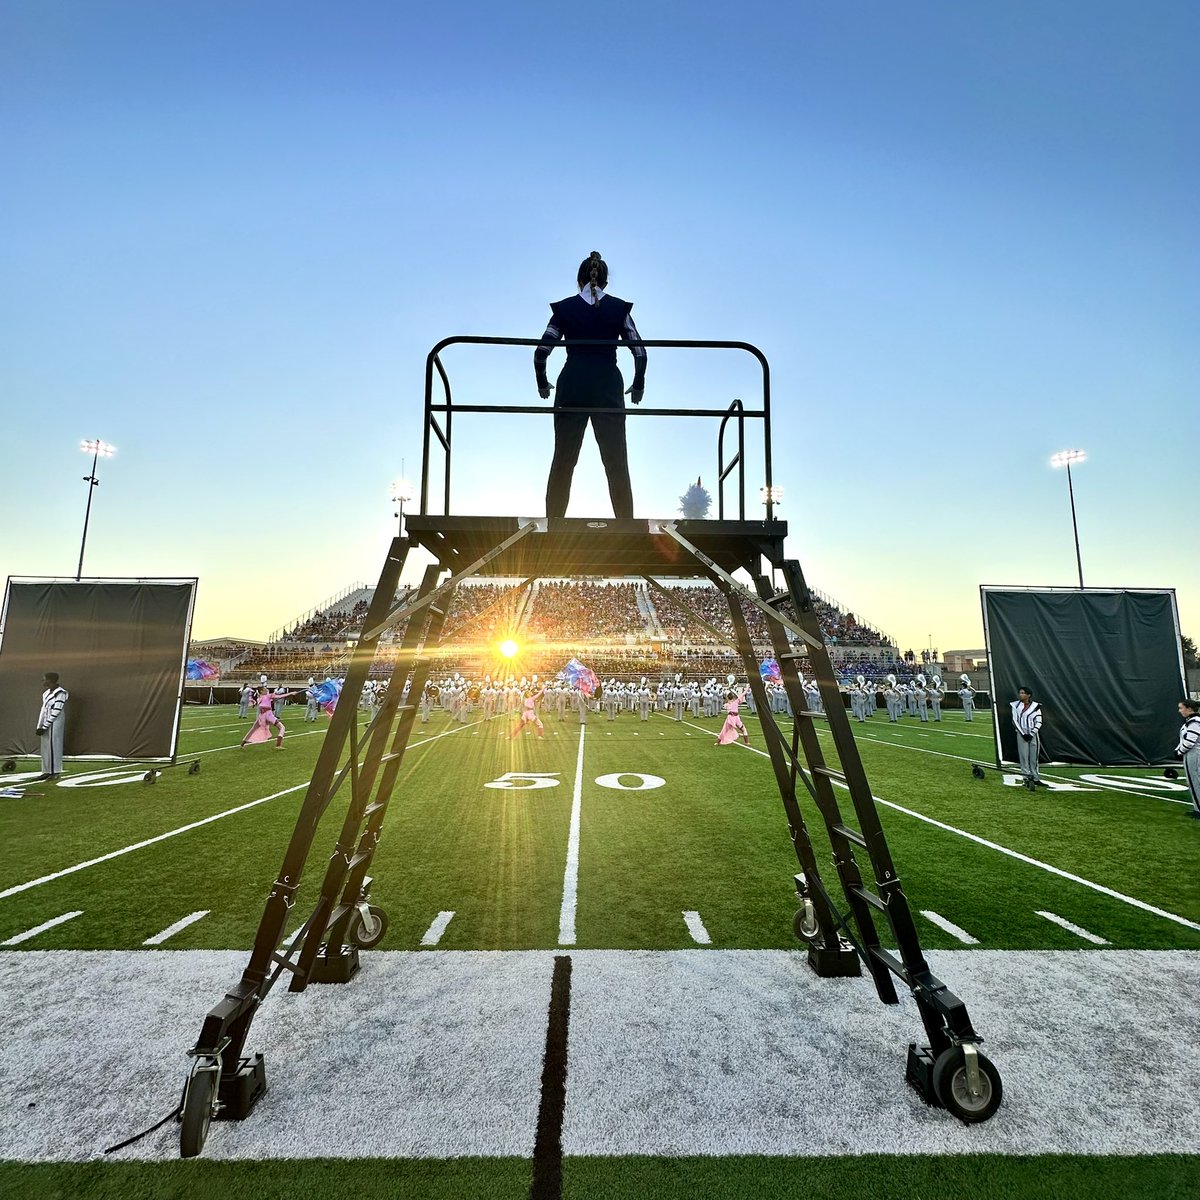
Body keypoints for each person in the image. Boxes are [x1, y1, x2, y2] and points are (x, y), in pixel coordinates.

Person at [535, 251, 647, 518]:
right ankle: (625, 524)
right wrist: (638, 383)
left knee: (563, 459)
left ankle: (554, 522)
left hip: (572, 384)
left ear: (579, 280)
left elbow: (541, 350)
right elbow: (640, 350)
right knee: (616, 460)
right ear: (605, 282)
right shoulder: (619, 309)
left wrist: (542, 382)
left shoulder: (564, 309)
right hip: (607, 386)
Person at [35, 672, 68, 780]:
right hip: (46, 721)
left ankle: (55, 772)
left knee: (54, 746)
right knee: (45, 746)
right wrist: (40, 726)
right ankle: (46, 771)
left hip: (56, 721)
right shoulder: (46, 693)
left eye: (44, 679)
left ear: (50, 680)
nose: (43, 681)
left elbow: (57, 710)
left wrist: (46, 725)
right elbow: (44, 711)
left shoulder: (60, 693)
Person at [1010, 686, 1044, 789]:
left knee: (1034, 757)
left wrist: (1032, 733)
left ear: (1028, 695)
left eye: (1023, 693)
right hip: (1021, 734)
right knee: (1023, 756)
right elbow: (1014, 720)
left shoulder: (1036, 706)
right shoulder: (1015, 705)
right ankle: (1025, 777)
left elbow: (1039, 721)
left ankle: (1035, 777)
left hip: (1033, 735)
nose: (1021, 695)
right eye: (1020, 693)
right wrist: (1023, 733)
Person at [1175, 698, 1200, 819]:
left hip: (1194, 754)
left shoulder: (1194, 722)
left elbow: (1190, 741)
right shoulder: (1191, 722)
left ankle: (1199, 810)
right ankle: (1197, 807)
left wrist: (1179, 751)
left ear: (1189, 709)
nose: (1180, 711)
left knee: (1195, 781)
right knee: (1193, 781)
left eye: (1181, 708)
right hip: (1191, 754)